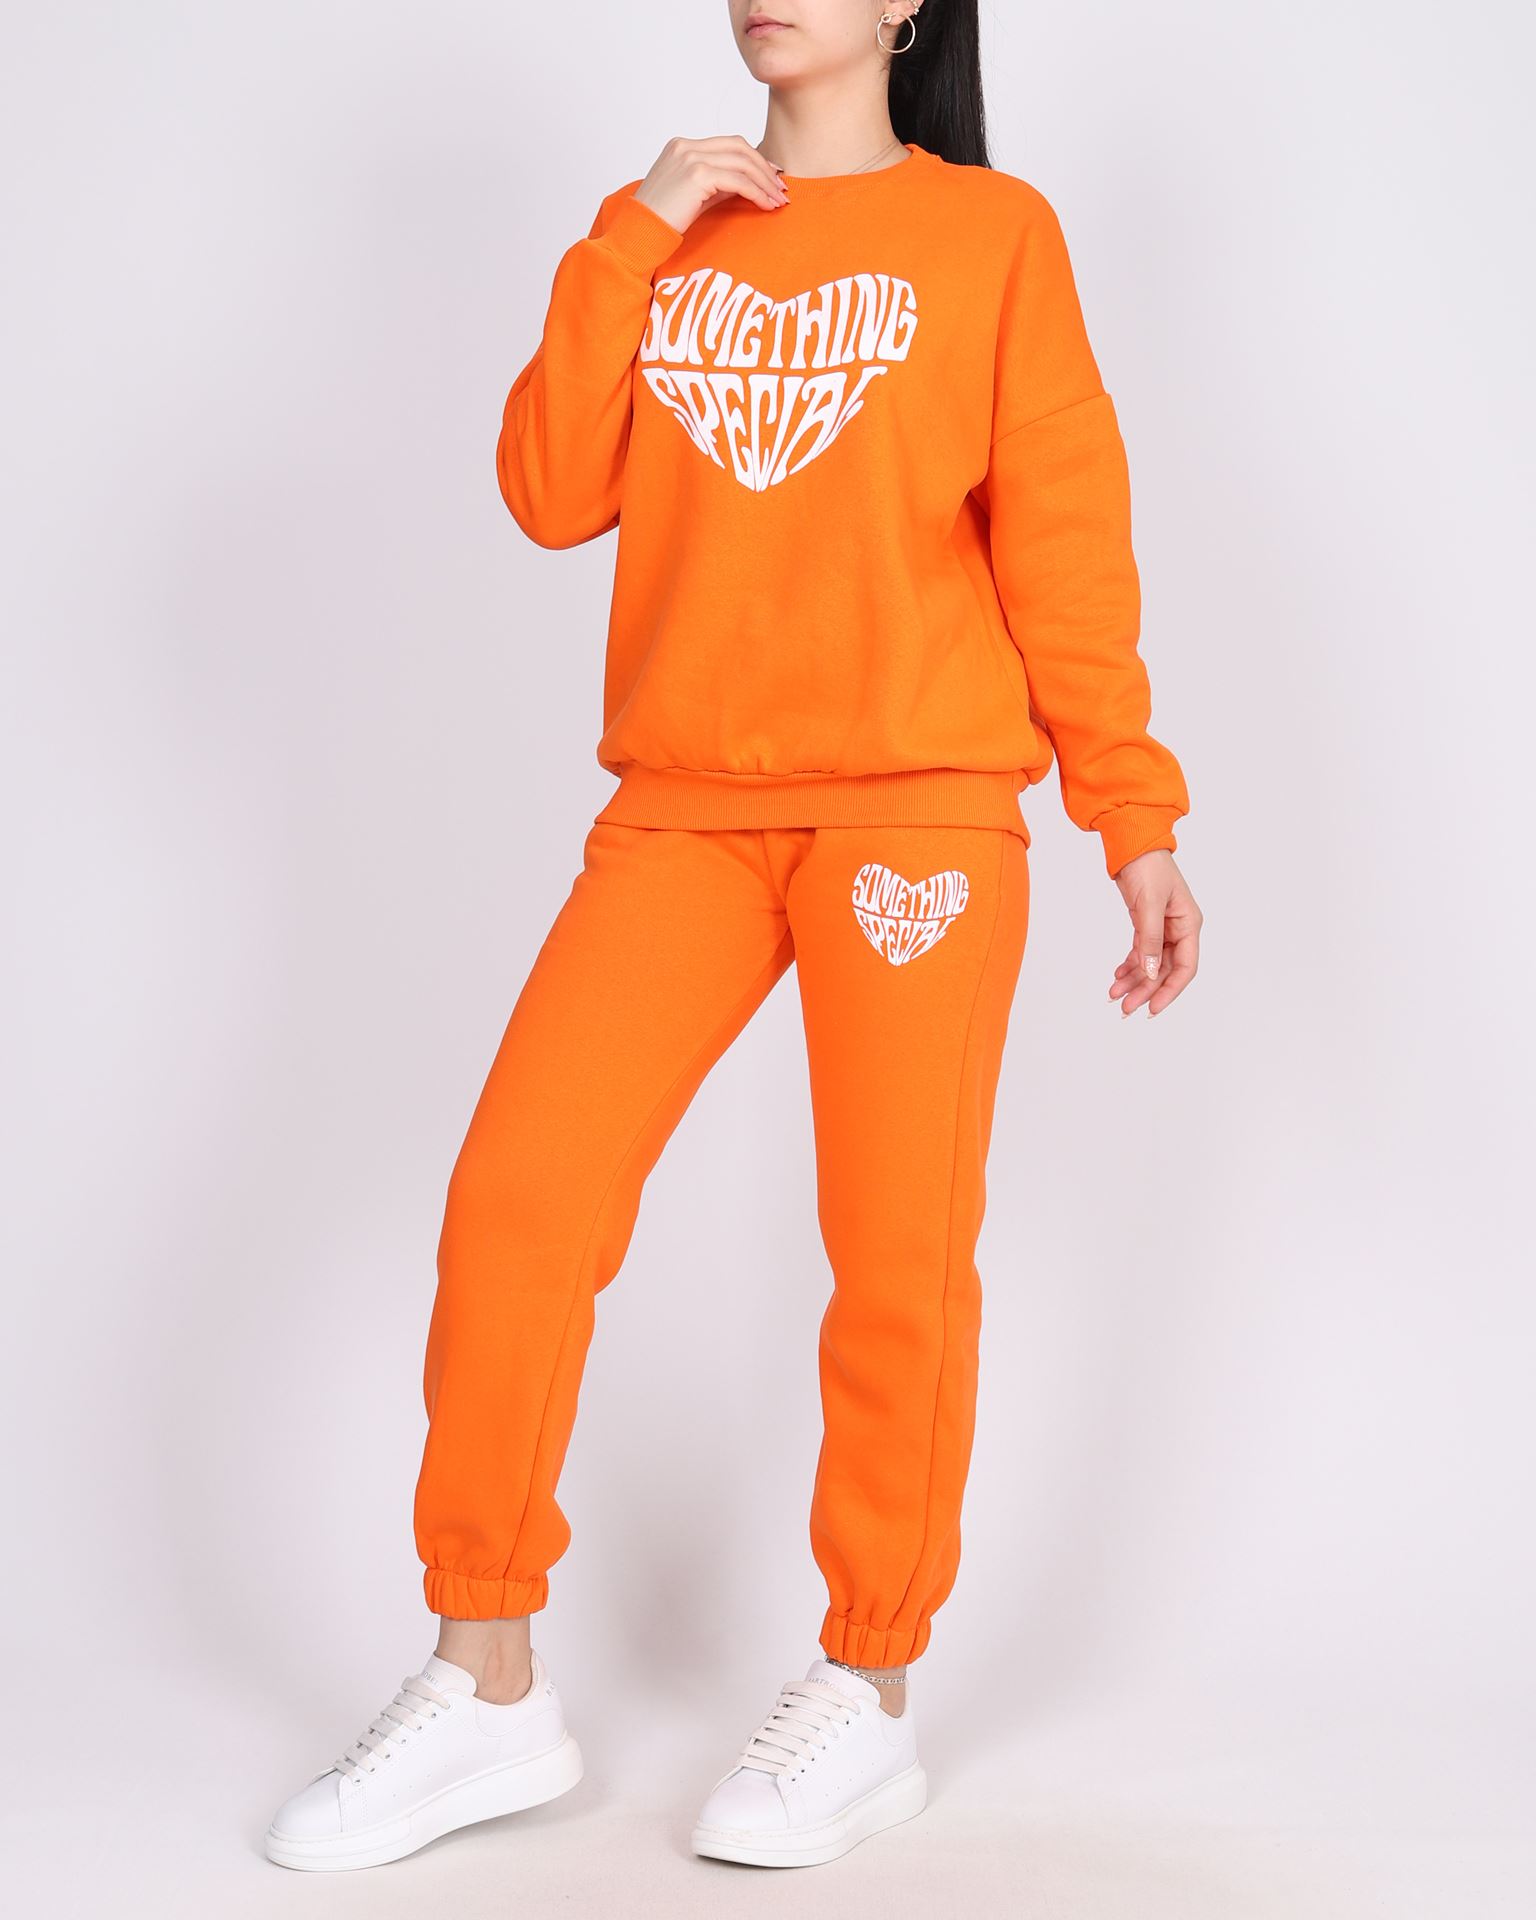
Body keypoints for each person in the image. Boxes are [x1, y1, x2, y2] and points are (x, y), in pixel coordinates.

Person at [264, 0, 1202, 1874]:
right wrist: (630, 232)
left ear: (908, 6)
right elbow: (549, 491)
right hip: (683, 809)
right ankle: (487, 1677)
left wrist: (1134, 816)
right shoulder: (673, 233)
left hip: (915, 811)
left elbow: (1065, 540)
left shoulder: (990, 237)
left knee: (896, 1254)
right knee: (520, 1197)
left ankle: (868, 1686)